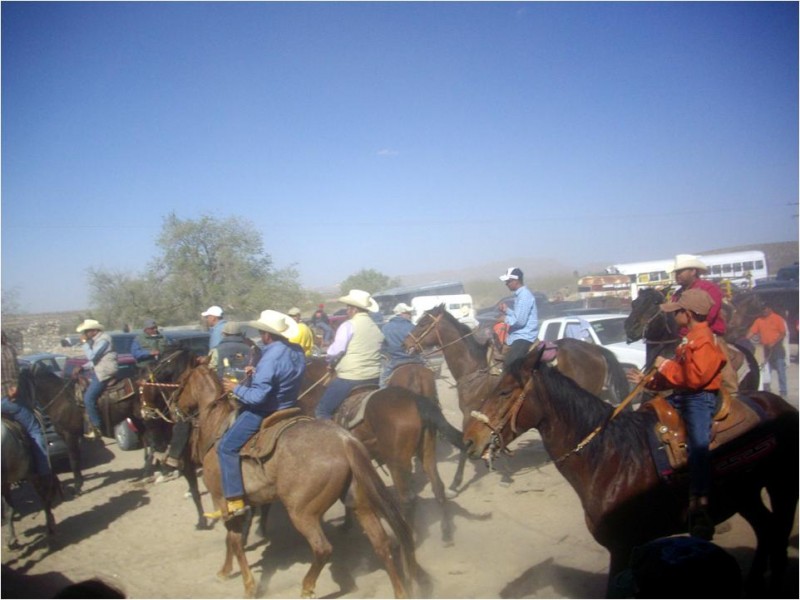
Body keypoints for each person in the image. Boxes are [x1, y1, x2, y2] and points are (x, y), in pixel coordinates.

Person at [633, 289, 726, 540]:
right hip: (684, 394)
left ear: (688, 314)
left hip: (698, 399)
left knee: (698, 446)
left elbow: (695, 378)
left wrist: (664, 364)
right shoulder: (690, 338)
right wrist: (649, 381)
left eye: (677, 313)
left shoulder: (704, 340)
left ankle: (701, 506)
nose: (674, 317)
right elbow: (674, 376)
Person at [204, 310, 306, 519]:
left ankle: (234, 499)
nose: (261, 336)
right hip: (292, 404)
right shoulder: (296, 350)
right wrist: (256, 372)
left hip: (267, 409)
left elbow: (258, 397)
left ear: (267, 335)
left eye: (262, 332)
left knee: (226, 447)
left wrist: (235, 388)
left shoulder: (270, 357)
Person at [670, 254, 738, 396]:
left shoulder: (709, 288)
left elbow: (709, 316)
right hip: (683, 337)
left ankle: (733, 395)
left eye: (681, 271)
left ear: (693, 271)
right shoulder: (677, 294)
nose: (677, 275)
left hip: (709, 334)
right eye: (676, 272)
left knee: (725, 372)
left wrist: (688, 333)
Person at [315, 290, 384, 419]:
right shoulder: (375, 327)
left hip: (351, 377)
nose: (347, 311)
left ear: (354, 309)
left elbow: (336, 350)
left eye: (348, 308)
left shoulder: (348, 325)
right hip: (374, 377)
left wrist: (330, 360)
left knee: (322, 411)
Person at [1, 331, 51, 476]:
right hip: (7, 399)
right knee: (34, 429)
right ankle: (43, 469)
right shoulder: (7, 350)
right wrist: (13, 387)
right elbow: (14, 374)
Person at [76, 319, 119, 439]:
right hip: (101, 369)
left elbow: (92, 356)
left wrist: (84, 343)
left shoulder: (104, 340)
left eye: (87, 331)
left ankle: (97, 427)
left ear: (94, 330)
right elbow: (95, 361)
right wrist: (82, 367)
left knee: (88, 398)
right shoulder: (97, 341)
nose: (85, 334)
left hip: (105, 371)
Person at [498, 267, 539, 370]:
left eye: (508, 281)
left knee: (510, 364)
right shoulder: (520, 295)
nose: (506, 284)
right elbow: (518, 316)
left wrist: (505, 319)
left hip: (524, 336)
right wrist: (507, 310)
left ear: (516, 281)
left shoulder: (524, 296)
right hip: (517, 336)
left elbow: (520, 322)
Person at [380, 302, 425, 388]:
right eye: (408, 313)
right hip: (415, 359)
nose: (410, 315)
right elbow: (420, 345)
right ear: (402, 314)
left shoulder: (385, 328)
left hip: (395, 361)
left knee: (382, 382)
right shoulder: (413, 327)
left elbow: (384, 347)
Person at [748, 303, 788, 397]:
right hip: (765, 348)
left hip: (777, 348)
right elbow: (751, 332)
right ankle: (767, 389)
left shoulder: (778, 318)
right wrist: (744, 340)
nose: (763, 311)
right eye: (762, 310)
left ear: (769, 308)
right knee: (766, 370)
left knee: (780, 369)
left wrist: (774, 343)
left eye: (765, 309)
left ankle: (783, 390)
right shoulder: (759, 320)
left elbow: (783, 333)